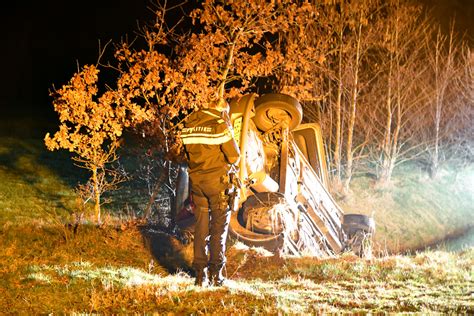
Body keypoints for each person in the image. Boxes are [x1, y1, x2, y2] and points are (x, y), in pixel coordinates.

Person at [180, 100, 240, 286]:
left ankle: (200, 275)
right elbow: (234, 156)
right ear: (221, 110)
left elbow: (188, 156)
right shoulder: (220, 125)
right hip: (218, 185)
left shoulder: (188, 125)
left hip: (197, 184)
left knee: (201, 227)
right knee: (218, 229)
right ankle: (216, 274)